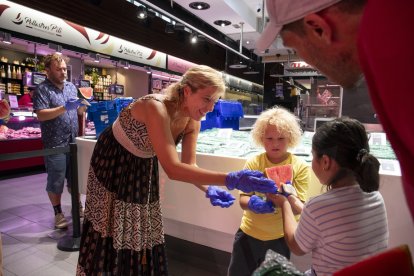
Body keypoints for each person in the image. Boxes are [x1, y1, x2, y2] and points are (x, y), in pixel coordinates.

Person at [76, 65, 278, 275]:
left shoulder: (193, 121)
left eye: (215, 101)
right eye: (207, 99)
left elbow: (188, 165)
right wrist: (232, 179)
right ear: (187, 91)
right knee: (110, 222)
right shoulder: (155, 107)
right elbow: (172, 169)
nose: (210, 108)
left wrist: (208, 188)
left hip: (143, 164)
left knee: (142, 224)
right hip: (113, 161)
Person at [256, 0, 414, 220]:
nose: (302, 59)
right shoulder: (391, 36)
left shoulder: (398, 55)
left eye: (294, 47)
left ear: (318, 28)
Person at [267, 117, 389, 275]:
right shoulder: (375, 196)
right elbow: (328, 223)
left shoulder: (318, 207)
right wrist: (293, 199)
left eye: (313, 156)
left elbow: (295, 246)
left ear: (325, 162)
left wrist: (284, 203)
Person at [228, 106, 310, 276]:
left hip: (280, 237)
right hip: (248, 233)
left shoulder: (300, 167)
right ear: (261, 138)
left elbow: (300, 208)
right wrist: (254, 203)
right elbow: (242, 200)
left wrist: (287, 199)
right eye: (269, 138)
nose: (275, 144)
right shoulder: (254, 163)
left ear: (291, 138)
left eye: (281, 138)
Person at [33, 53, 86, 229]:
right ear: (47, 70)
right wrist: (64, 107)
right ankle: (58, 213)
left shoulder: (71, 87)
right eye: (59, 69)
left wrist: (83, 105)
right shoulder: (42, 89)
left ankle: (76, 206)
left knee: (75, 178)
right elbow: (41, 115)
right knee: (56, 180)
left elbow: (78, 112)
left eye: (64, 69)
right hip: (54, 143)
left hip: (73, 142)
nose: (63, 72)